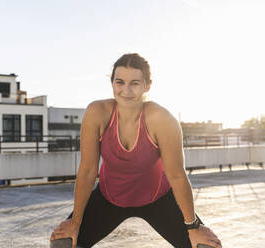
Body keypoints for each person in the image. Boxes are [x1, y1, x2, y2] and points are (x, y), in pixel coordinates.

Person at [50, 53, 222, 248]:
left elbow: (176, 175)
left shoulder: (161, 118)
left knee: (205, 247)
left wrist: (193, 226)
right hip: (109, 198)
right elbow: (88, 170)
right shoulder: (97, 113)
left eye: (135, 83)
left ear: (147, 85)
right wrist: (75, 222)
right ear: (112, 83)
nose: (126, 90)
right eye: (120, 82)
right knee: (63, 244)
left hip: (158, 199)